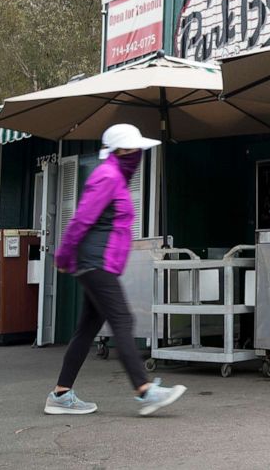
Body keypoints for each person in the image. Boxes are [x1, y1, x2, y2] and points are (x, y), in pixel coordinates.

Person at [44, 124, 186, 415]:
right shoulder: (107, 177)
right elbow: (81, 219)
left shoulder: (116, 178)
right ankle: (144, 391)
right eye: (135, 149)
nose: (140, 154)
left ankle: (60, 394)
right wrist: (63, 256)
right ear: (122, 150)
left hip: (99, 262)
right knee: (122, 320)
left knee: (87, 329)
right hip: (97, 263)